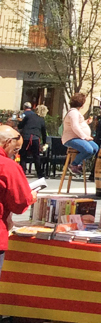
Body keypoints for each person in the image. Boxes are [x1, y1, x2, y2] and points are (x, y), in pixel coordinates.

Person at [0, 126, 35, 283]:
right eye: (16, 150)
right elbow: (19, 203)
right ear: (8, 142)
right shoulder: (8, 166)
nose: (16, 154)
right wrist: (31, 197)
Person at [63, 92, 99, 175]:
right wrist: (84, 137)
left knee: (95, 148)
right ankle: (74, 164)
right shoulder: (73, 113)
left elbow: (78, 124)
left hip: (78, 137)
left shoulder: (76, 112)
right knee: (88, 150)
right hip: (71, 138)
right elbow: (75, 126)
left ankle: (80, 163)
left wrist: (86, 122)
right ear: (81, 104)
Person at [18, 103, 47, 178]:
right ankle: (40, 174)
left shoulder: (28, 116)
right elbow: (44, 133)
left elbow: (20, 126)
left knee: (23, 155)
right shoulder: (41, 120)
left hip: (26, 137)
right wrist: (44, 143)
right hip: (35, 138)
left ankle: (22, 172)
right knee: (36, 156)